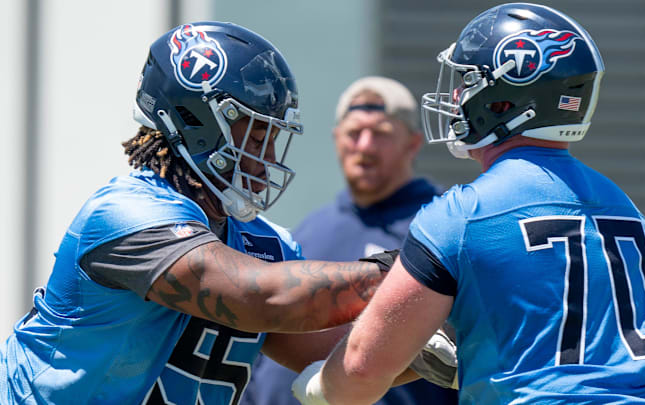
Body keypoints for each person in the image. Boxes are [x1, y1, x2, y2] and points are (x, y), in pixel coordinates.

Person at [292, 3, 645, 404]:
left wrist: (315, 386)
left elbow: (362, 368)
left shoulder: (463, 215)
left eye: (468, 81)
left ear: (503, 101)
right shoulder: (627, 208)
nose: (457, 95)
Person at [0, 22, 395, 405]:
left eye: (274, 138)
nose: (268, 158)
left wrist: (434, 332)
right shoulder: (124, 214)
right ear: (197, 124)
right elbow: (259, 296)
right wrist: (402, 271)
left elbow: (343, 358)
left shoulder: (266, 244)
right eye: (258, 136)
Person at [240, 77, 458, 405]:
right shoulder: (306, 233)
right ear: (337, 139)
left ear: (412, 144)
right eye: (354, 133)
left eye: (381, 134)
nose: (365, 146)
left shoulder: (442, 224)